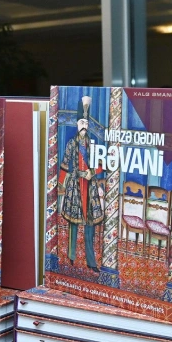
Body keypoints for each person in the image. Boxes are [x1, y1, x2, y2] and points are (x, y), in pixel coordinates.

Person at [58, 95, 104, 271]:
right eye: (81, 123)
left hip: (89, 187)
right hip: (75, 186)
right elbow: (64, 163)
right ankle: (71, 256)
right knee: (73, 224)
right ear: (77, 125)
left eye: (86, 123)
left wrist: (92, 172)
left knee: (90, 225)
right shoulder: (71, 143)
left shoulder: (93, 144)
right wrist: (61, 184)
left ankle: (91, 262)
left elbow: (101, 164)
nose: (84, 126)